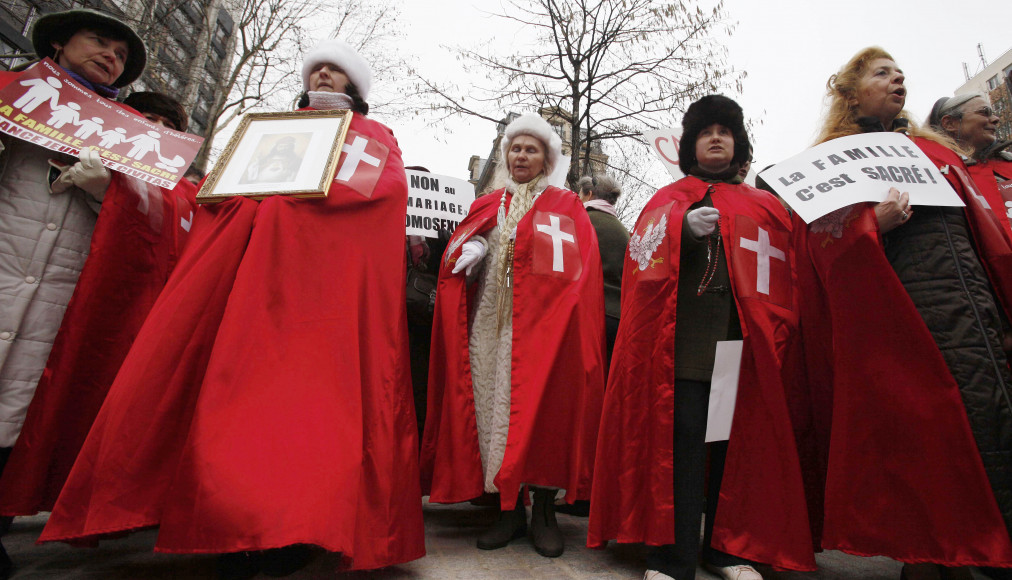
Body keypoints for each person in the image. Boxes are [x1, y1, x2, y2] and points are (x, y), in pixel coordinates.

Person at [38, 39, 425, 577]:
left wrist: (281, 211)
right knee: (233, 405)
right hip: (248, 291)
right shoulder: (268, 129)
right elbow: (218, 195)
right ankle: (230, 526)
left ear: (354, 88)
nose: (324, 78)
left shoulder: (373, 137)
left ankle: (291, 528)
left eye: (336, 72)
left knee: (302, 416)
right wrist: (247, 205)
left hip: (319, 301)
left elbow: (373, 194)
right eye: (318, 70)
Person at [798, 47, 1012, 580]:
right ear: (850, 93)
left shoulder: (932, 150)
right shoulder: (834, 160)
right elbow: (819, 247)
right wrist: (873, 224)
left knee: (991, 426)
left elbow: (983, 231)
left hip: (972, 311)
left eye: (899, 73)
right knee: (925, 441)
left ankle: (981, 550)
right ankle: (931, 556)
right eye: (880, 73)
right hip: (905, 318)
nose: (896, 79)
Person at [588, 95, 814, 580]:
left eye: (725, 131)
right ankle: (672, 559)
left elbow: (787, 275)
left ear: (738, 143)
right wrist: (680, 230)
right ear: (691, 145)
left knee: (724, 450)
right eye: (706, 131)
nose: (716, 138)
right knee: (684, 451)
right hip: (682, 352)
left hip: (736, 351)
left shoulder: (765, 206)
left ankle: (725, 550)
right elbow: (640, 259)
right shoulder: (669, 200)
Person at [0, 10, 190, 579]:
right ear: (59, 42)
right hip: (7, 267)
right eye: (99, 42)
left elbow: (156, 221)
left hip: (60, 293)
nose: (112, 55)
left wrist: (111, 189)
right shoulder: (12, 97)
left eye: (122, 54)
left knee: (17, 409)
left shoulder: (126, 138)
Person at [420, 112, 606, 559]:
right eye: (515, 148)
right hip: (492, 323)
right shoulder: (489, 203)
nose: (521, 155)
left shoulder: (566, 206)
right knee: (492, 411)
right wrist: (475, 246)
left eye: (531, 149)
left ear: (547, 158)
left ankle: (543, 510)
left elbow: (582, 271)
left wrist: (565, 319)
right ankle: (508, 509)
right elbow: (474, 249)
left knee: (544, 414)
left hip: (546, 327)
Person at [928, 94, 1012, 234]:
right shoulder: (937, 174)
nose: (995, 119)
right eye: (984, 112)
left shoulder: (1008, 162)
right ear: (949, 124)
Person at [578, 174, 629, 363]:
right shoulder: (623, 230)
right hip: (617, 319)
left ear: (589, 195)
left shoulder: (582, 221)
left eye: (580, 195)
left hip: (589, 316)